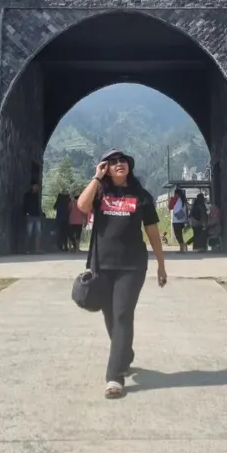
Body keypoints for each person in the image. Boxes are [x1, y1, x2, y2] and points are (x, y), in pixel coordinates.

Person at [77, 149, 167, 399]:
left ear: (129, 166)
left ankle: (114, 377)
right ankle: (124, 355)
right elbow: (82, 205)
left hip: (132, 266)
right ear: (106, 167)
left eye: (123, 161)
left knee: (122, 314)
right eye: (113, 162)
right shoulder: (101, 192)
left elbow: (152, 232)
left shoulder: (141, 196)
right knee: (110, 317)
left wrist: (161, 264)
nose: (119, 164)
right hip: (102, 266)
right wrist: (96, 178)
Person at [22, 181, 44, 254]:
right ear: (32, 186)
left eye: (37, 186)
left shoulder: (37, 195)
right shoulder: (27, 195)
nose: (37, 187)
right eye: (35, 186)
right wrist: (26, 213)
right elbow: (25, 205)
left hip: (37, 216)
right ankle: (26, 249)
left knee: (38, 233)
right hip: (30, 216)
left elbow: (38, 206)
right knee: (28, 233)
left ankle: (37, 249)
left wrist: (41, 213)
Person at [168, 187, 189, 253]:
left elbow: (170, 207)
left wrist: (171, 200)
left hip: (176, 220)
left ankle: (182, 247)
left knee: (178, 235)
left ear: (176, 194)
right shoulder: (184, 200)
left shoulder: (175, 199)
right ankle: (182, 247)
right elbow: (187, 210)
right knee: (179, 234)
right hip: (183, 219)